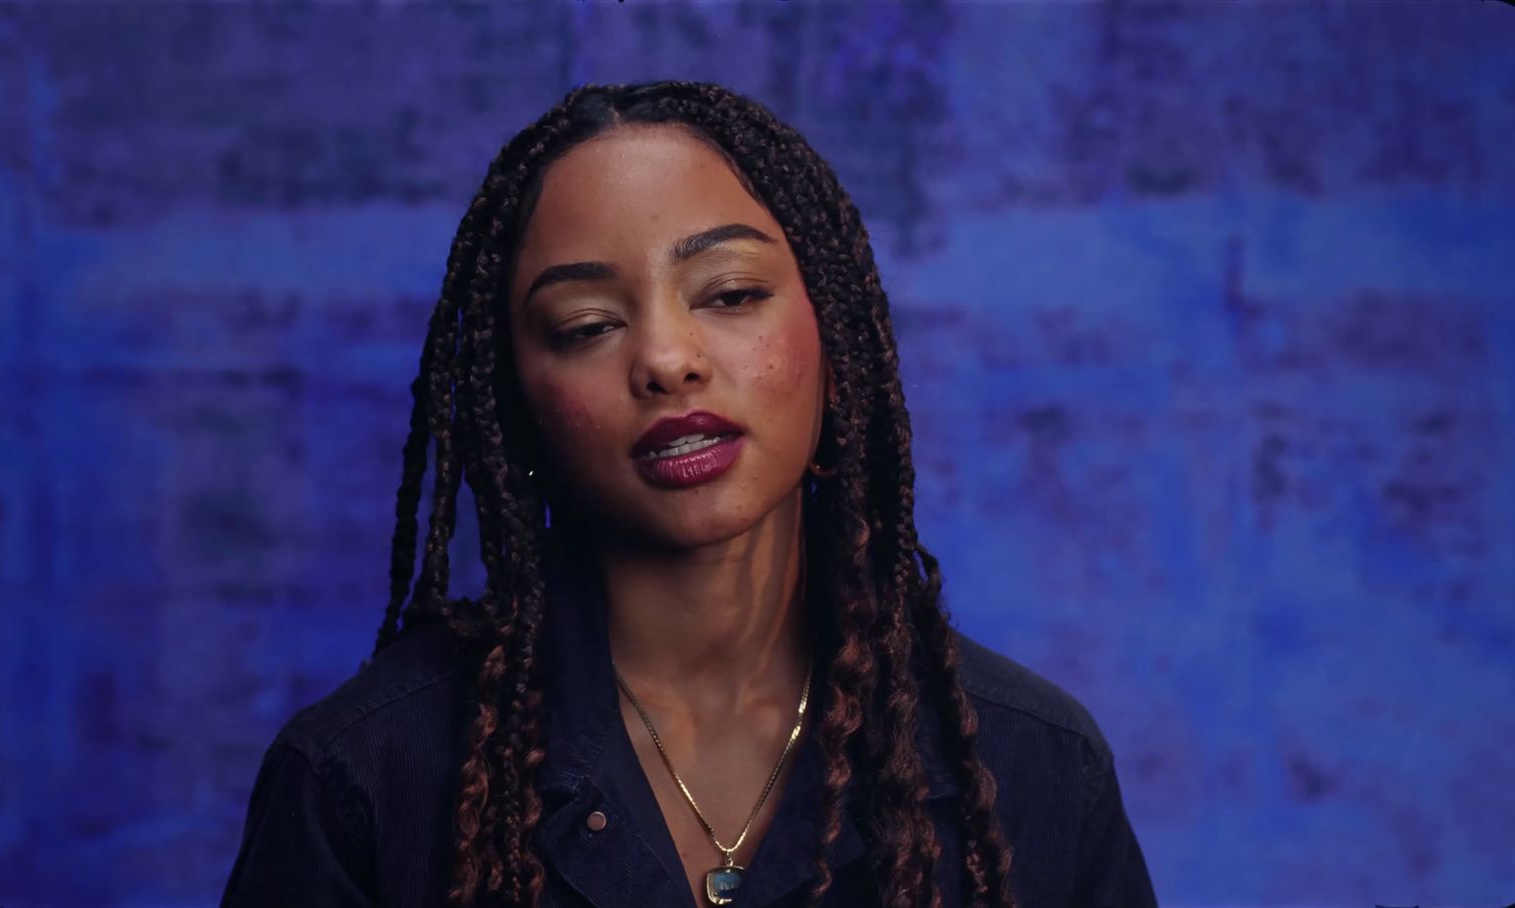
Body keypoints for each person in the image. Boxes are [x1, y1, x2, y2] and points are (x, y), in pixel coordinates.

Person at [220, 79, 1157, 908]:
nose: (667, 360)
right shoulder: (364, 781)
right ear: (519, 405)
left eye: (732, 293)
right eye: (586, 324)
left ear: (836, 339)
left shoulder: (1032, 765)